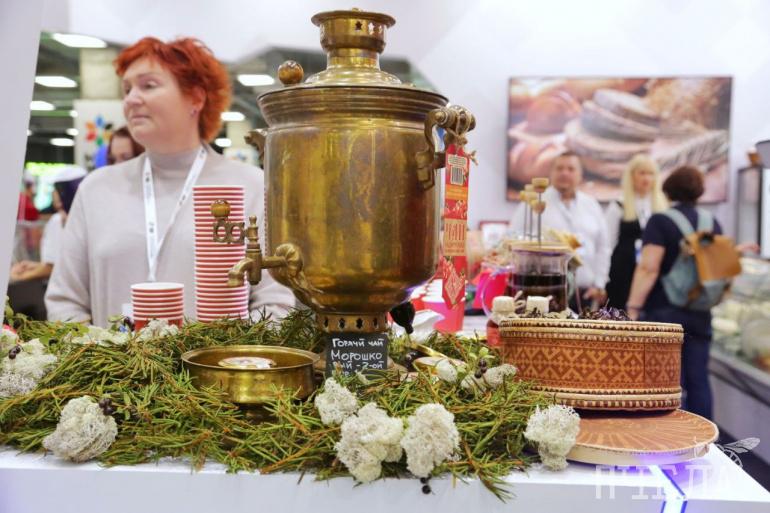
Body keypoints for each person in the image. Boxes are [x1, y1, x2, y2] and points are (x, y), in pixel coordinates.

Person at [45, 37, 295, 327]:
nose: (131, 99)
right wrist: (98, 353)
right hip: (112, 358)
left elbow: (276, 302)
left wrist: (224, 354)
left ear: (196, 98)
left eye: (148, 85)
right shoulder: (96, 189)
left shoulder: (250, 186)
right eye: (127, 89)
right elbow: (65, 302)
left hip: (221, 358)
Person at [626, 166, 718, 419]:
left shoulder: (660, 221)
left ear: (667, 192)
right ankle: (705, 436)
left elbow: (648, 268)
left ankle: (666, 435)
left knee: (663, 381)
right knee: (699, 379)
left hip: (664, 311)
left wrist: (633, 307)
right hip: (700, 310)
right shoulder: (712, 222)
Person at [510, 151, 610, 310]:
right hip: (543, 291)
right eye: (559, 168)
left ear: (580, 175)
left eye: (571, 169)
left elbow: (603, 247)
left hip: (585, 293)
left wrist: (599, 284)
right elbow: (512, 239)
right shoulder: (534, 203)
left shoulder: (592, 205)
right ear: (551, 173)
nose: (565, 173)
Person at [604, 154, 668, 309]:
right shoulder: (618, 205)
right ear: (632, 176)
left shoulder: (663, 206)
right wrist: (603, 278)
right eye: (642, 173)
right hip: (622, 273)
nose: (646, 178)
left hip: (653, 273)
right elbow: (607, 245)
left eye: (650, 174)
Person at [11, 166, 87, 282]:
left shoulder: (59, 221)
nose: (53, 193)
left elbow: (51, 268)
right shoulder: (85, 219)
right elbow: (64, 265)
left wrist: (19, 277)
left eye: (55, 189)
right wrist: (37, 266)